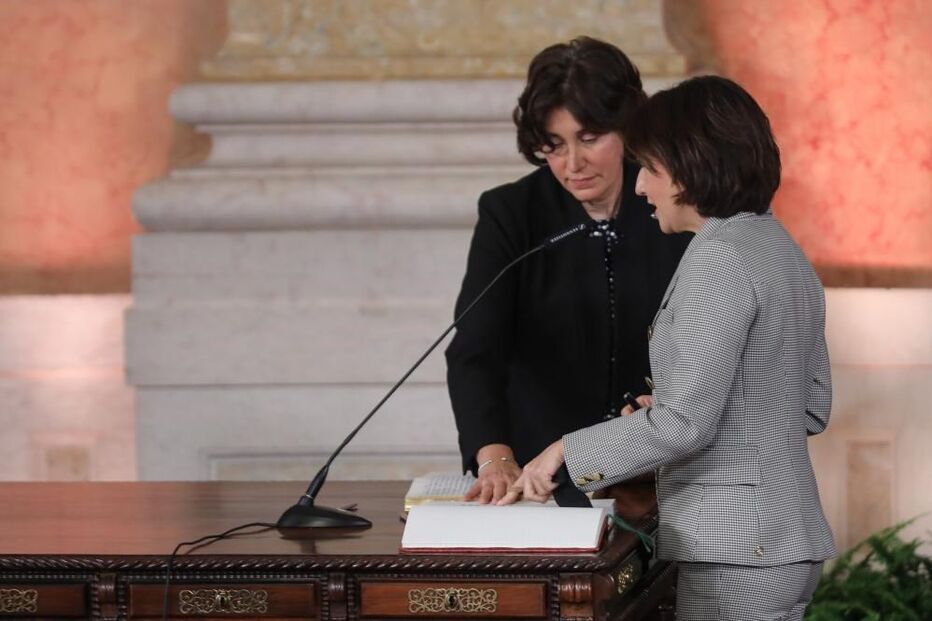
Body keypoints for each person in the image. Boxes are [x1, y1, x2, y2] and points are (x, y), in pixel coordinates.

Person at [502, 75, 836, 621]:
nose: (639, 188)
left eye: (650, 169)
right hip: (783, 543)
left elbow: (685, 427)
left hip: (736, 548)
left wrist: (565, 451)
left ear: (690, 165)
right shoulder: (780, 247)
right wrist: (682, 407)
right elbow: (810, 407)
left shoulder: (719, 256)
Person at [444, 37, 691, 504]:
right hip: (542, 477)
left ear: (628, 129)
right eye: (553, 146)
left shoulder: (672, 204)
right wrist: (493, 455)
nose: (572, 165)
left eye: (590, 139)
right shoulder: (511, 213)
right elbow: (475, 352)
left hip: (657, 472)